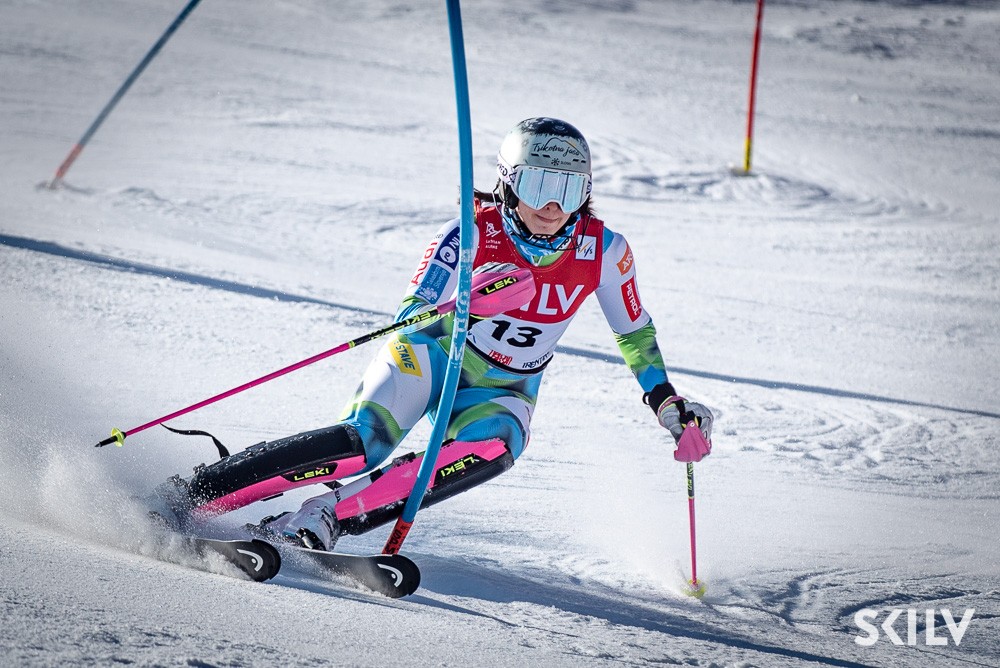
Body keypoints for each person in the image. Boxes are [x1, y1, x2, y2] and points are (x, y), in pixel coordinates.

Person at [163, 118, 714, 551]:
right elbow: (412, 310)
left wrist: (669, 404)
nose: (553, 206)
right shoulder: (470, 233)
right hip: (432, 354)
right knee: (364, 444)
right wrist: (467, 305)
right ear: (509, 182)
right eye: (539, 185)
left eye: (569, 191)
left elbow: (634, 333)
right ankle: (197, 495)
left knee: (498, 446)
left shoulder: (605, 251)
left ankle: (323, 518)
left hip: (505, 385)